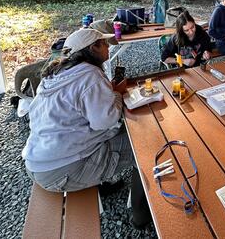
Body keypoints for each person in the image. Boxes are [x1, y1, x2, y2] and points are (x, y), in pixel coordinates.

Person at [22, 28, 150, 228]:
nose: (108, 47)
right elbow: (106, 121)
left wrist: (110, 93)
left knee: (121, 135)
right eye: (104, 44)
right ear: (93, 48)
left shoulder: (56, 72)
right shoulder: (90, 74)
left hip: (38, 160)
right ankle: (141, 216)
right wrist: (116, 94)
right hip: (62, 171)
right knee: (143, 147)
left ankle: (99, 183)